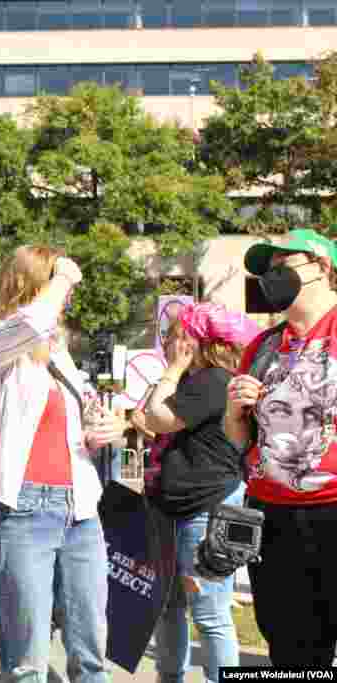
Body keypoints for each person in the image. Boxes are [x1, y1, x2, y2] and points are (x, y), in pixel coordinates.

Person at [0, 246, 126, 683]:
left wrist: (104, 430)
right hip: (23, 506)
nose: (69, 298)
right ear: (35, 284)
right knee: (27, 658)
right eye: (58, 284)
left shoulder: (60, 355)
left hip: (80, 508)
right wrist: (64, 277)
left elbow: (74, 429)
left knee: (91, 648)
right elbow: (31, 322)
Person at [225, 229, 337, 666]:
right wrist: (234, 415)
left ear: (322, 267)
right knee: (292, 655)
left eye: (282, 267)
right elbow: (239, 441)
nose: (272, 279)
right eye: (267, 273)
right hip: (274, 520)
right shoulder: (262, 345)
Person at [142, 303, 261, 683]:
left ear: (196, 341)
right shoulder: (203, 382)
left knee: (209, 614)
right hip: (173, 509)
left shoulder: (212, 380)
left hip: (205, 510)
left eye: (175, 335)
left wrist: (173, 369)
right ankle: (169, 677)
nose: (168, 342)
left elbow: (156, 418)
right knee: (169, 608)